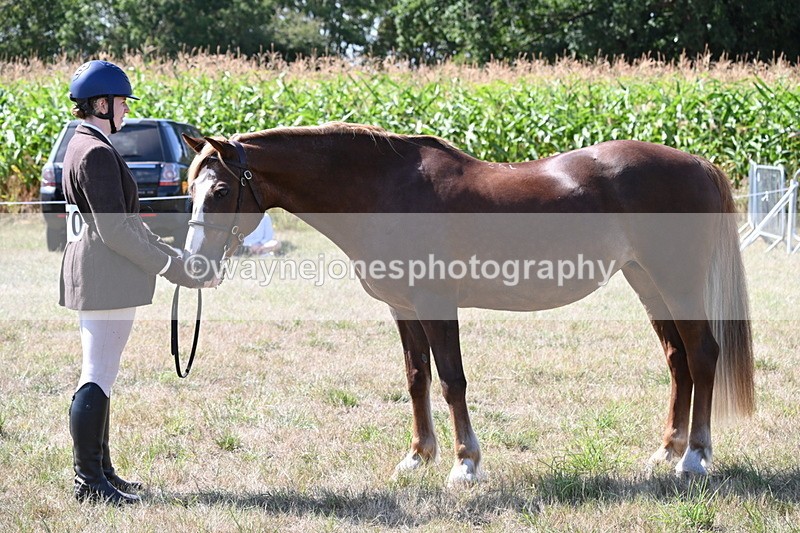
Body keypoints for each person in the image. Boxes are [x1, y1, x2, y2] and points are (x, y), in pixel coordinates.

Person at [59, 60, 202, 505]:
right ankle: (90, 482)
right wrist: (171, 268)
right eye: (121, 102)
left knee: (102, 373)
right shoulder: (96, 151)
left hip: (100, 271)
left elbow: (127, 223)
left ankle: (101, 470)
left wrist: (175, 255)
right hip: (105, 273)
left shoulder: (82, 144)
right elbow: (116, 230)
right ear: (101, 104)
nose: (125, 110)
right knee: (97, 374)